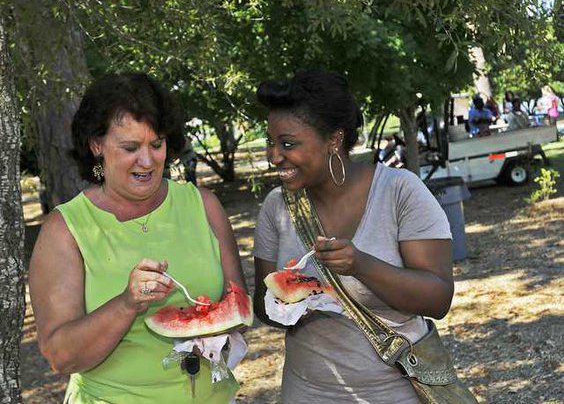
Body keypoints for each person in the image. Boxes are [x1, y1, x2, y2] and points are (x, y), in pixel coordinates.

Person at [29, 73, 246, 403]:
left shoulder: (203, 205)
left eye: (156, 144)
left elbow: (238, 309)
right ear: (96, 145)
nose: (147, 161)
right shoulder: (65, 229)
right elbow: (61, 356)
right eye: (130, 147)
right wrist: (127, 304)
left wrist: (215, 328)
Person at [252, 71, 454, 403]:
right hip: (306, 393)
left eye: (288, 144)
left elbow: (438, 299)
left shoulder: (399, 192)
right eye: (270, 142)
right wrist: (289, 299)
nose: (274, 156)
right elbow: (263, 303)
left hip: (396, 391)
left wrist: (360, 264)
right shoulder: (277, 206)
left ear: (334, 139)